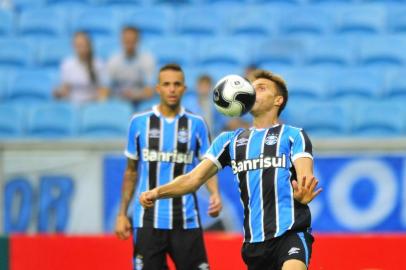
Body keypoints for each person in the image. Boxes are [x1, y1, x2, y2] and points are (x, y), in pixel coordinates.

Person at [140, 70, 322, 270]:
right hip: (254, 243)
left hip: (291, 233)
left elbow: (306, 175)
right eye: (251, 88)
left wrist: (303, 191)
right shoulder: (229, 140)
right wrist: (157, 192)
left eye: (261, 88)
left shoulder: (293, 135)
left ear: (278, 100)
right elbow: (193, 179)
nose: (253, 92)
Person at [115, 64, 222, 270]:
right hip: (148, 221)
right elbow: (131, 171)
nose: (172, 89)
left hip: (186, 219)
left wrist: (215, 194)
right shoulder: (139, 122)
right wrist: (122, 214)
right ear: (158, 88)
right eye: (166, 84)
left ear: (184, 88)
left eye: (177, 84)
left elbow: (206, 167)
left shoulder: (197, 124)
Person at [54, 31, 109, 105]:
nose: (81, 48)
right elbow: (65, 89)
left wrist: (98, 105)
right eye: (78, 45)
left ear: (89, 45)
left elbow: (103, 90)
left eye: (83, 45)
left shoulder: (98, 64)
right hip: (73, 104)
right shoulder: (67, 64)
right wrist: (59, 93)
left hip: (92, 104)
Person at [107, 26, 155, 108]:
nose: (129, 44)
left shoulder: (147, 59)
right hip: (119, 102)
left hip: (141, 102)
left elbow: (150, 91)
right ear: (121, 40)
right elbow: (105, 89)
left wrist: (134, 95)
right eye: (126, 40)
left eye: (132, 40)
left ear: (138, 41)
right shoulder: (113, 60)